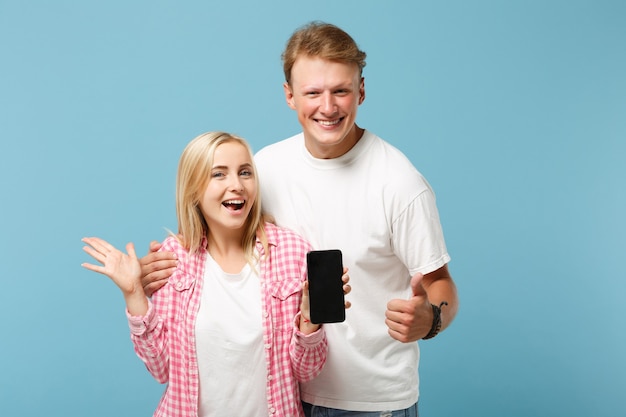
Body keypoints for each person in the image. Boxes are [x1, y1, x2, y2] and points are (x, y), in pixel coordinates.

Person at [141, 21, 459, 417]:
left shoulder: (400, 183)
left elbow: (441, 284)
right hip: (282, 394)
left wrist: (429, 320)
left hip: (368, 402)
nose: (328, 107)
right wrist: (157, 271)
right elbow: (215, 247)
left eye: (341, 90)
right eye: (313, 93)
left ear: (361, 90)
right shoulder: (262, 169)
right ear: (290, 96)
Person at [82, 131, 350, 417]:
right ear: (194, 190)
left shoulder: (291, 252)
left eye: (245, 172)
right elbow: (161, 370)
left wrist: (310, 321)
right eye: (219, 174)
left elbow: (307, 370)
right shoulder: (174, 258)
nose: (236, 185)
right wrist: (134, 293)